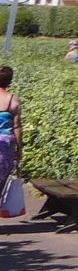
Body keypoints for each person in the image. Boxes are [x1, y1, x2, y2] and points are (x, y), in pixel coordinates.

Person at [0, 67, 20, 212]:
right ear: (10, 81)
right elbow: (17, 126)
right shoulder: (13, 100)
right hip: (5, 146)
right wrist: (19, 150)